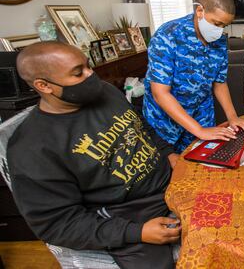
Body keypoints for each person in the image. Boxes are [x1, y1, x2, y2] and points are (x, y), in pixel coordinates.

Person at [8, 42, 180, 268]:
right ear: (44, 85)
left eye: (88, 66)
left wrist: (169, 154)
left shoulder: (106, 93)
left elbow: (140, 126)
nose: (91, 75)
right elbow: (57, 224)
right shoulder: (32, 148)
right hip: (129, 214)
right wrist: (136, 232)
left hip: (171, 183)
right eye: (78, 73)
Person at [144, 0, 244, 153]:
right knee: (170, 173)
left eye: (224, 25)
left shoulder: (220, 41)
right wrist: (199, 130)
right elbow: (160, 93)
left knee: (203, 164)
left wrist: (233, 117)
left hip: (201, 115)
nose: (220, 30)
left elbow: (219, 83)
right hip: (165, 123)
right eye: (216, 23)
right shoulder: (167, 35)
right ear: (199, 11)